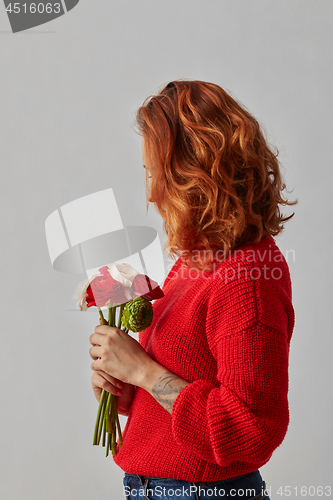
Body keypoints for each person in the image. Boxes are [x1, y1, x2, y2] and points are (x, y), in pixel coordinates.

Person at [88, 80, 296, 500]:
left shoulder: (247, 276)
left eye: (156, 174)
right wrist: (125, 384)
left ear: (193, 173)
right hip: (156, 489)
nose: (150, 193)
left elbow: (252, 428)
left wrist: (144, 371)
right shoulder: (197, 260)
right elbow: (187, 383)